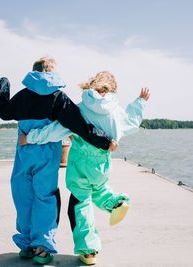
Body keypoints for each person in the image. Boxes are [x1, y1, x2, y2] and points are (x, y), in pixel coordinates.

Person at [0, 58, 117, 265]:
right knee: (45, 198)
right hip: (47, 156)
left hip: (24, 155)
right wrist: (104, 142)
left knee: (23, 196)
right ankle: (42, 247)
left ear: (34, 73)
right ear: (53, 75)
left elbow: (4, 111)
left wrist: (3, 86)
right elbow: (80, 125)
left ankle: (26, 244)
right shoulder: (58, 97)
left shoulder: (23, 95)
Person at [20, 71, 150, 265]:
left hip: (81, 165)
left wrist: (30, 138)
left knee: (80, 205)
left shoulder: (80, 109)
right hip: (102, 164)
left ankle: (88, 251)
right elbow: (131, 123)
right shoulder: (115, 110)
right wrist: (140, 102)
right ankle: (115, 202)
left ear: (91, 84)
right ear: (112, 89)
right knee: (98, 190)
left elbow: (56, 131)